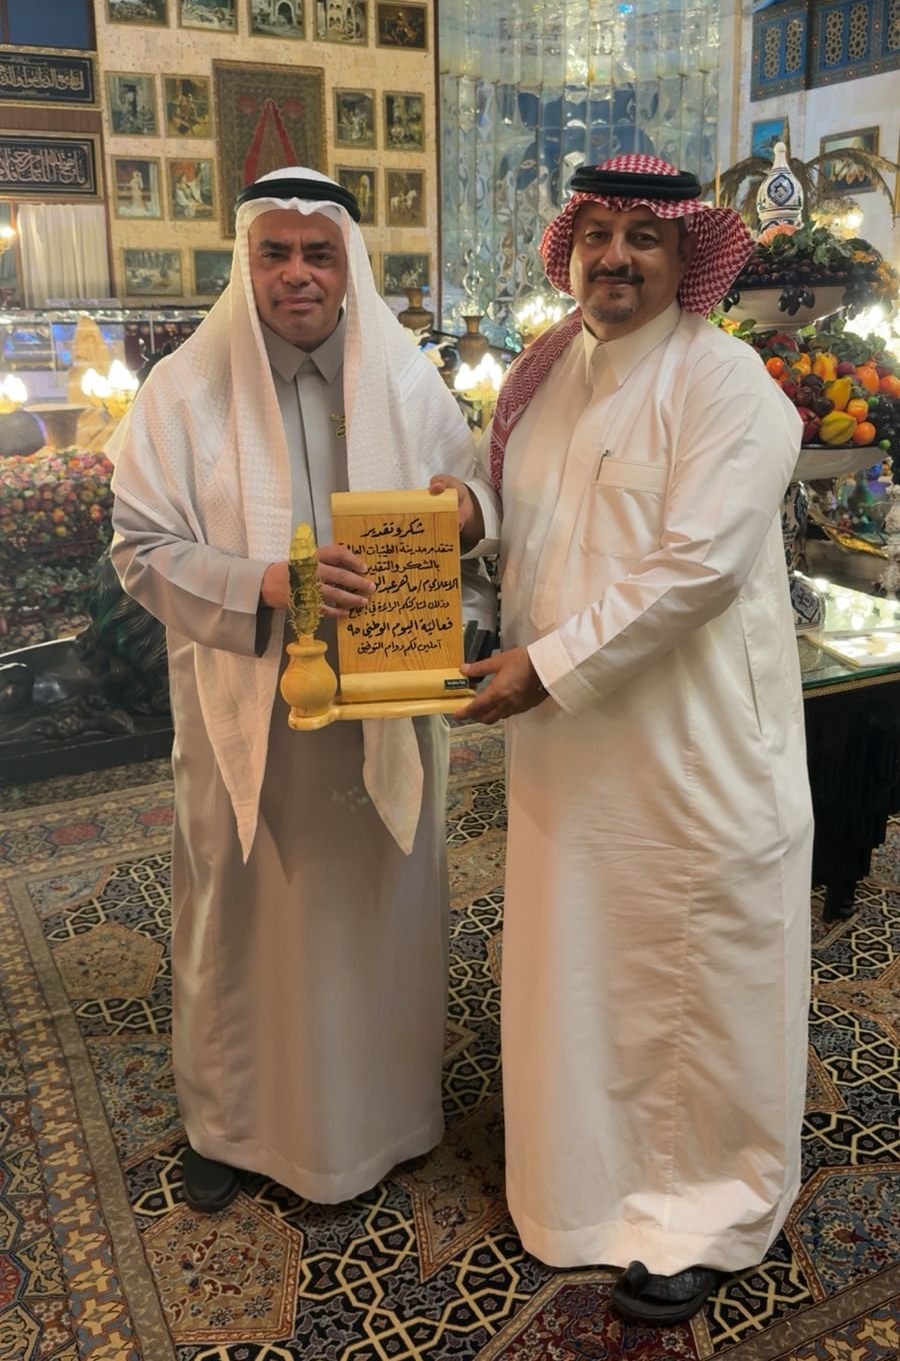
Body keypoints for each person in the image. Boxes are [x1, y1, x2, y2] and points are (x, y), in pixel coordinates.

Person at [441, 154, 814, 1324]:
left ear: (684, 254)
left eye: (642, 238)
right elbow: (519, 503)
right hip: (567, 751)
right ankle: (582, 1185)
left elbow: (696, 567)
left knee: (691, 975)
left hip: (689, 758)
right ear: (571, 247)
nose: (614, 257)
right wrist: (467, 514)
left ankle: (700, 1210)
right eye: (595, 234)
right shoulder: (547, 370)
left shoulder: (727, 382)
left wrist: (546, 667)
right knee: (583, 965)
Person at [109, 166, 494, 1214]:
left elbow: (472, 500)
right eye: (274, 253)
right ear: (246, 263)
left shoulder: (406, 382)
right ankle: (231, 1123)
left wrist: (469, 509)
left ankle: (387, 1114)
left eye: (319, 254)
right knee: (245, 919)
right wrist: (265, 585)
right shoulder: (183, 391)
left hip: (387, 704)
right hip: (253, 713)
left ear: (347, 264)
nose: (297, 274)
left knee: (376, 910)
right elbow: (139, 549)